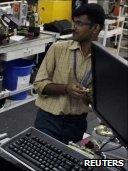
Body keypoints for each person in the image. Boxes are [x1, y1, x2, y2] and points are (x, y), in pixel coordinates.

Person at [33, 4, 106, 144]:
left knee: (67, 163)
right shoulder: (58, 48)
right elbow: (39, 84)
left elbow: (101, 101)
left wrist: (91, 96)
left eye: (79, 23)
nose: (74, 27)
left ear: (95, 28)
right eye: (74, 22)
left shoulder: (103, 60)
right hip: (48, 120)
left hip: (76, 124)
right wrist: (66, 88)